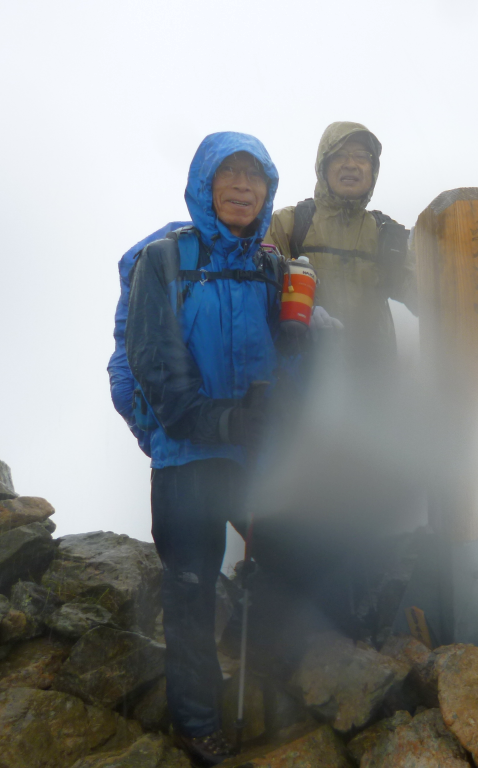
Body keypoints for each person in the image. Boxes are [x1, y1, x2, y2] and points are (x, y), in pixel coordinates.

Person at [125, 131, 284, 766]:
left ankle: (267, 690)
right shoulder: (165, 260)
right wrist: (227, 421)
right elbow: (155, 367)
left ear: (269, 190)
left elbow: (283, 359)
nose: (243, 188)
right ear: (204, 186)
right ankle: (195, 721)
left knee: (270, 572)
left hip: (253, 458)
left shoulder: (270, 265)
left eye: (256, 178)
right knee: (191, 589)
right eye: (230, 176)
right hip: (188, 459)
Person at [263, 121, 417, 368]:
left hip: (373, 379)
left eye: (361, 156)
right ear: (323, 166)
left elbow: (428, 299)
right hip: (303, 377)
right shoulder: (289, 224)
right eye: (339, 156)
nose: (351, 164)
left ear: (373, 169)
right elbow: (256, 296)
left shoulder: (386, 234)